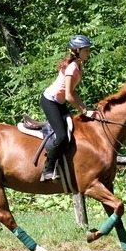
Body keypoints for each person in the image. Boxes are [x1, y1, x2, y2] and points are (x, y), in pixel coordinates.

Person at [39, 35, 96, 181]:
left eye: (89, 50)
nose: (89, 53)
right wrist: (83, 111)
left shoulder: (78, 64)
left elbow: (72, 91)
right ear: (77, 51)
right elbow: (70, 96)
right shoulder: (72, 68)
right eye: (86, 50)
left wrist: (85, 107)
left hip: (59, 102)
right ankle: (48, 169)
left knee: (73, 130)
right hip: (50, 101)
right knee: (62, 136)